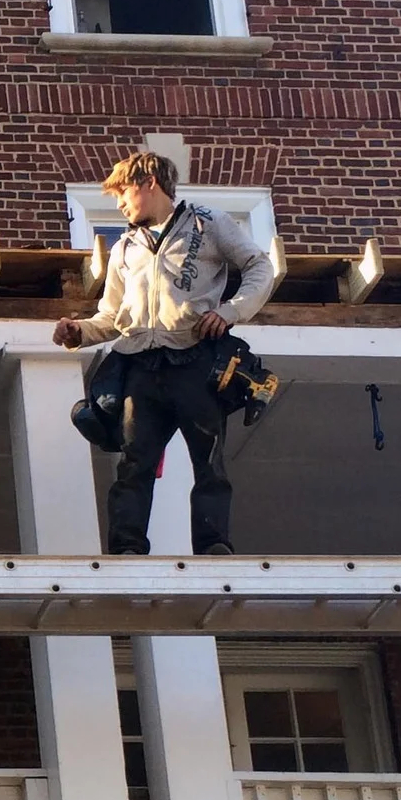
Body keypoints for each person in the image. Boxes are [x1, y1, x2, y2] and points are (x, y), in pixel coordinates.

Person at [53, 150, 280, 555]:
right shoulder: (124, 249)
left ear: (148, 183)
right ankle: (127, 548)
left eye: (123, 194)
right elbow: (112, 316)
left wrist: (230, 312)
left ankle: (213, 546)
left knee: (208, 460)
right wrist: (79, 332)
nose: (120, 206)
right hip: (141, 365)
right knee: (133, 463)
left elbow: (259, 266)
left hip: (196, 360)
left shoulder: (207, 223)